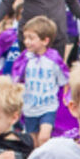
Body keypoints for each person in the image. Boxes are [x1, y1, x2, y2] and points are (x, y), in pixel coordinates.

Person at [12, 16, 67, 147]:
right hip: (29, 107)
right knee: (33, 141)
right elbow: (17, 77)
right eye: (25, 37)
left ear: (45, 40)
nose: (26, 42)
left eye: (31, 38)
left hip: (48, 106)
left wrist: (66, 97)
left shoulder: (53, 59)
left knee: (44, 137)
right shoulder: (26, 58)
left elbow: (65, 79)